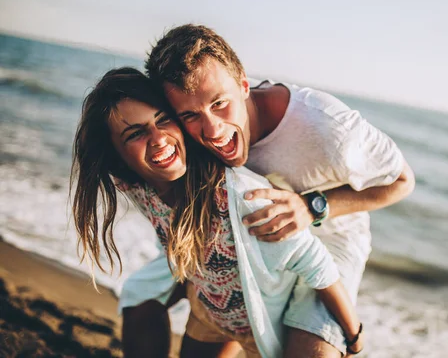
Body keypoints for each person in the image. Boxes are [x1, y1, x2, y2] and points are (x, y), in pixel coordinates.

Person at [119, 24, 415, 357]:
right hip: (239, 239)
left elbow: (402, 181)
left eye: (220, 104)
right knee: (140, 301)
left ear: (244, 84)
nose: (212, 130)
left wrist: (311, 206)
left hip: (329, 241)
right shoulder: (184, 132)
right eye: (190, 114)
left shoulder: (330, 129)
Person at [70, 68, 365, 358]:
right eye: (136, 133)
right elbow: (92, 144)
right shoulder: (136, 183)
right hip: (207, 309)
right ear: (115, 152)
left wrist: (353, 337)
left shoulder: (239, 196)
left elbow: (315, 262)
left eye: (163, 120)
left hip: (257, 320)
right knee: (139, 299)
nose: (158, 138)